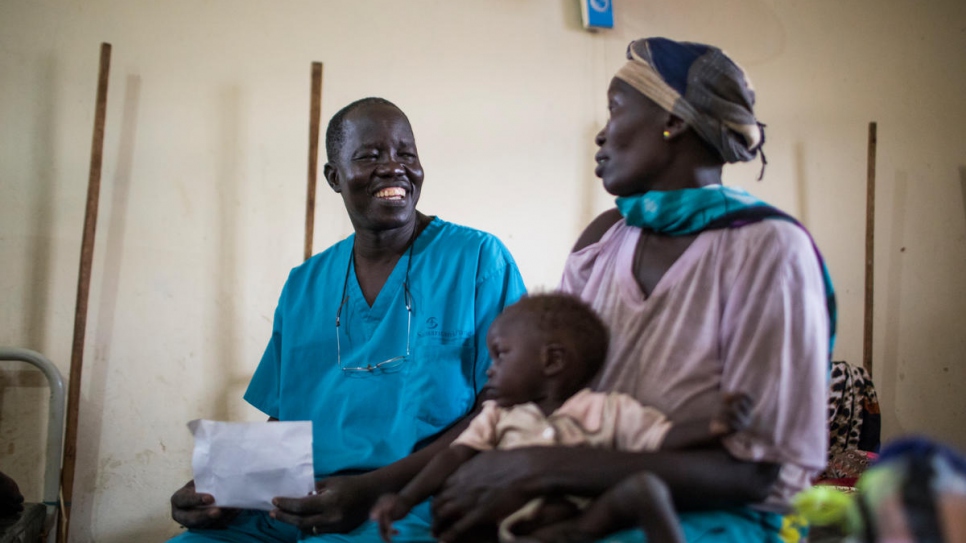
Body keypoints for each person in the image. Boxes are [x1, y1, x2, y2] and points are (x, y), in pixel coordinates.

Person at [429, 37, 833, 543]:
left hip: (715, 518)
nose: (601, 134)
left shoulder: (767, 249)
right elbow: (560, 399)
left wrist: (545, 467)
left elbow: (755, 473)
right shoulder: (603, 241)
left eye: (615, 108)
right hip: (587, 497)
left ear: (675, 121)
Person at [168, 97, 527, 542]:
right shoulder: (305, 283)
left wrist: (371, 488)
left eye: (406, 154)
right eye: (370, 156)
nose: (394, 167)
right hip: (298, 500)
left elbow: (504, 407)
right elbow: (286, 420)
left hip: (419, 497)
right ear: (334, 177)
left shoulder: (476, 260)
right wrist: (224, 488)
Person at [371, 293, 753, 543]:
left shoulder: (609, 409)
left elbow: (661, 439)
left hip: (575, 527)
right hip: (495, 526)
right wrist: (404, 499)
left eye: (501, 355)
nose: (490, 370)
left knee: (644, 488)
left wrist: (713, 426)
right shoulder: (498, 415)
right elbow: (453, 456)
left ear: (551, 361)